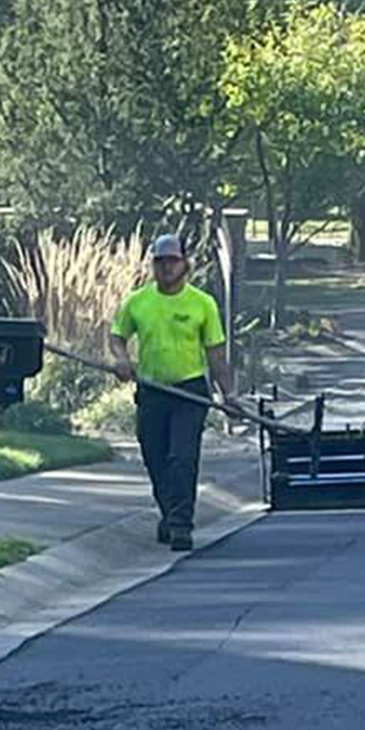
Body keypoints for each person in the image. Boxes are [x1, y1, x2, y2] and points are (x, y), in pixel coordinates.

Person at [110, 232, 239, 551]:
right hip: (152, 391)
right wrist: (122, 359)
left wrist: (229, 394)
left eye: (172, 261)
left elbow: (216, 354)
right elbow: (116, 336)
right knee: (156, 458)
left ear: (185, 264)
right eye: (160, 261)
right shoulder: (138, 302)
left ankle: (181, 524)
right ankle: (169, 514)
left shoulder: (201, 304)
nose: (166, 267)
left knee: (181, 458)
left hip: (190, 391)